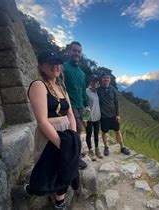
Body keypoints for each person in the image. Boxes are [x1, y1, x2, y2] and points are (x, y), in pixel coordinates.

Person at [12, 50, 80, 208]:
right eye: (50, 63)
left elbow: (70, 113)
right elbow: (42, 121)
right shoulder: (38, 85)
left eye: (57, 63)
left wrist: (73, 136)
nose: (55, 66)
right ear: (41, 66)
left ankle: (59, 201)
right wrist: (62, 145)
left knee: (64, 165)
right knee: (48, 165)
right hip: (49, 132)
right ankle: (32, 189)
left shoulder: (61, 88)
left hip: (66, 132)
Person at [63, 41, 88, 169]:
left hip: (79, 106)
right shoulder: (63, 68)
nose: (77, 53)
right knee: (75, 130)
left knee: (79, 130)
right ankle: (75, 159)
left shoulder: (82, 74)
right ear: (69, 51)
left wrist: (86, 105)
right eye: (74, 50)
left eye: (79, 51)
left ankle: (76, 152)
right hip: (69, 106)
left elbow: (83, 91)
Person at [97, 73, 131, 156]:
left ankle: (122, 147)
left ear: (110, 79)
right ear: (102, 79)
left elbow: (116, 102)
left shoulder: (113, 89)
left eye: (107, 78)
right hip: (104, 116)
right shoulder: (98, 90)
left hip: (113, 115)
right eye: (104, 78)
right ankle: (106, 147)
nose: (106, 79)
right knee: (104, 132)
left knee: (117, 131)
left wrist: (118, 114)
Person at [85, 75, 103, 161]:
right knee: (89, 134)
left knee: (96, 134)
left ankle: (97, 149)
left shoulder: (97, 92)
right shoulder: (86, 91)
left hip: (97, 117)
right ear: (90, 82)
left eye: (97, 82)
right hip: (89, 118)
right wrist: (84, 119)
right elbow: (84, 105)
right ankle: (90, 150)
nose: (95, 83)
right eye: (94, 82)